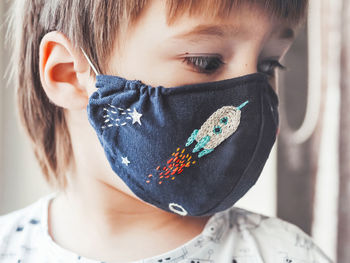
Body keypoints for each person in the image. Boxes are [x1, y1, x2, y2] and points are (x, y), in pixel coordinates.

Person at [0, 0, 333, 262]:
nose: (248, 96)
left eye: (268, 65)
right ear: (69, 75)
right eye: (205, 60)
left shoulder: (287, 254)